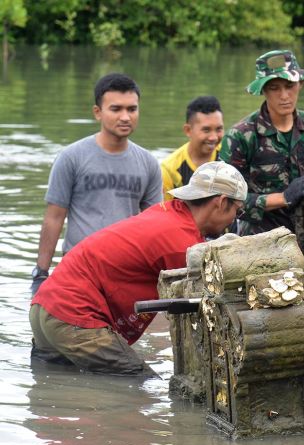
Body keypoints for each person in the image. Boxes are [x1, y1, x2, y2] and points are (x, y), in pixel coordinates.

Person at [29, 162, 247, 375]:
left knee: (54, 384)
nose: (232, 219)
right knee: (136, 382)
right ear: (221, 202)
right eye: (236, 210)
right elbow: (202, 307)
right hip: (73, 317)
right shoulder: (180, 242)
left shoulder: (167, 211)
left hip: (44, 309)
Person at [31, 73, 162, 296]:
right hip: (78, 269)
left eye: (132, 109)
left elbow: (155, 224)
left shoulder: (148, 163)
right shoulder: (71, 157)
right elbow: (54, 217)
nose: (125, 117)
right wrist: (41, 273)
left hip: (127, 272)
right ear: (97, 113)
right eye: (116, 109)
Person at [220, 49, 304, 235]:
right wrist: (282, 198)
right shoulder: (241, 136)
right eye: (274, 88)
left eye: (289, 85)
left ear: (300, 84)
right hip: (259, 235)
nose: (284, 96)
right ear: (263, 90)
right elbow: (227, 201)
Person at [161, 95, 224, 201]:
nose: (214, 137)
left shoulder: (229, 156)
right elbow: (165, 213)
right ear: (188, 130)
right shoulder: (169, 169)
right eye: (206, 130)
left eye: (219, 129)